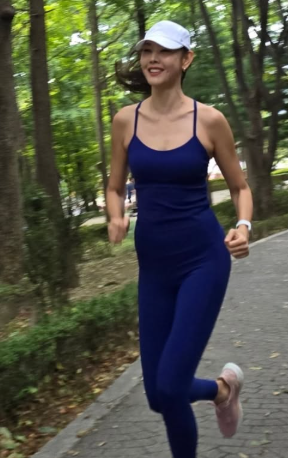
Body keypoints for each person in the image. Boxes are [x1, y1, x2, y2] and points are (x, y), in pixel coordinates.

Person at [106, 20, 253, 458]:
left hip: (202, 261)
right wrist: (115, 216)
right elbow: (113, 187)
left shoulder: (209, 120)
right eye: (147, 50)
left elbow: (241, 188)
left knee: (171, 386)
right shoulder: (125, 121)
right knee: (158, 395)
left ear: (186, 59)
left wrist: (243, 226)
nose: (153, 59)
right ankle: (223, 390)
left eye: (165, 51)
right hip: (154, 269)